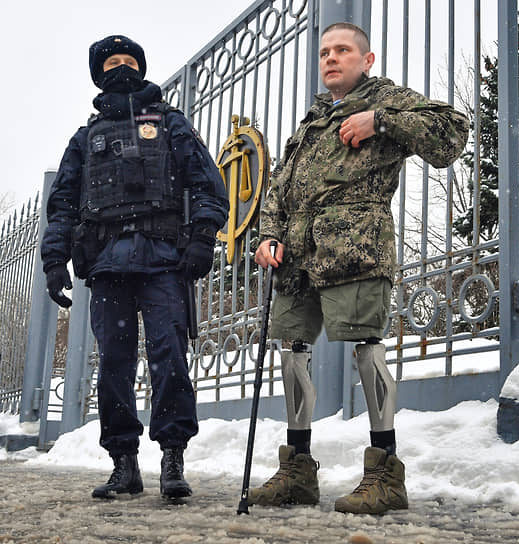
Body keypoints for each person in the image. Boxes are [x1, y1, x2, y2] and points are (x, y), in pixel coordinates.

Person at [252, 22, 468, 514]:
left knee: (367, 350)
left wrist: (382, 122)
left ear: (366, 60)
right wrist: (268, 233)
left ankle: (385, 473)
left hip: (354, 249)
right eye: (325, 51)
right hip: (296, 258)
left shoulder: (387, 101)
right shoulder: (312, 119)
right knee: (292, 351)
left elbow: (452, 133)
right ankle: (297, 472)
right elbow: (279, 187)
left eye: (343, 50)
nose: (331, 58)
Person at [40, 35, 228, 500]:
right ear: (98, 74)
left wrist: (203, 238)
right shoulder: (85, 138)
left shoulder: (171, 123)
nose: (121, 68)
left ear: (142, 69)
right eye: (111, 63)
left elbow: (208, 183)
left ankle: (172, 459)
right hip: (107, 265)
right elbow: (62, 203)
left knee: (170, 358)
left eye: (129, 61)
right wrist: (53, 260)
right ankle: (123, 463)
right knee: (114, 367)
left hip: (165, 260)